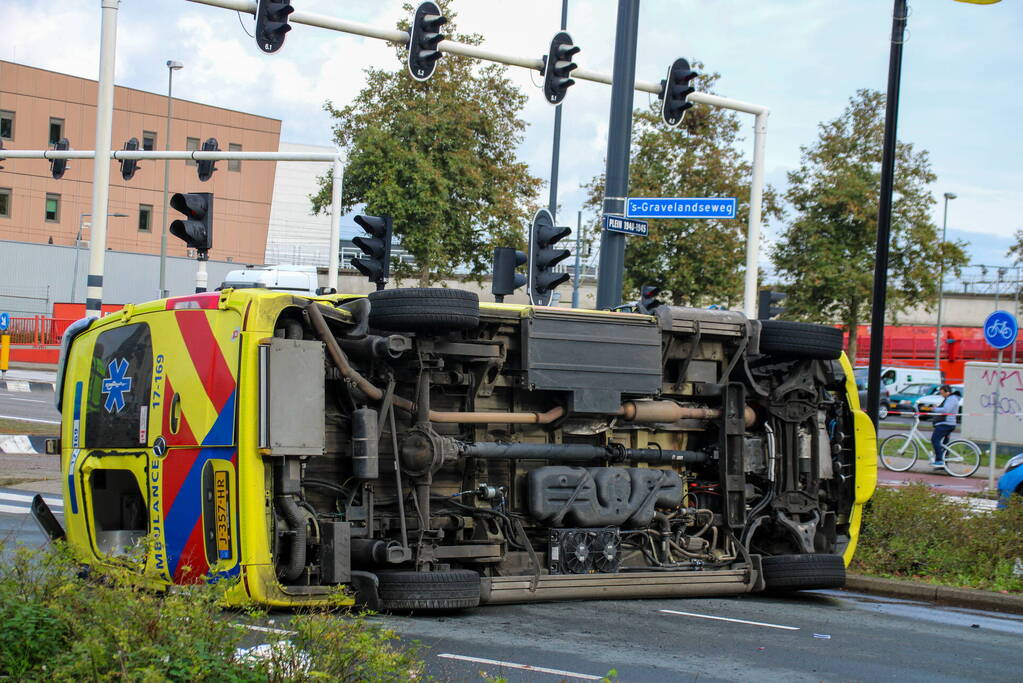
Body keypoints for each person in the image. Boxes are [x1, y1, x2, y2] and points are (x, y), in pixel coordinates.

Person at [931, 385, 961, 470]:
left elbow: (946, 410)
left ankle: (939, 461)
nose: (942, 395)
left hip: (946, 424)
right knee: (944, 444)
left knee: (935, 440)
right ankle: (943, 465)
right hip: (947, 423)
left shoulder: (951, 399)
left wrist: (935, 409)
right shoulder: (951, 398)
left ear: (947, 392)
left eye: (942, 393)